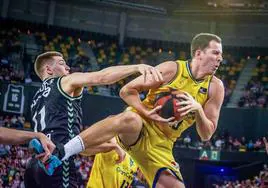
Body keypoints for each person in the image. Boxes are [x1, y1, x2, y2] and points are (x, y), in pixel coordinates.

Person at [49, 33, 224, 188]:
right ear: (198, 53)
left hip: (162, 145)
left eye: (221, 55)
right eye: (216, 53)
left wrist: (198, 109)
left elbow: (206, 134)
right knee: (130, 119)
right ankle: (63, 151)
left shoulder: (215, 88)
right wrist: (145, 111)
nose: (220, 59)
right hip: (139, 126)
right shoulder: (172, 69)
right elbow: (127, 91)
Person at [24, 51, 163, 188]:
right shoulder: (65, 81)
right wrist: (137, 67)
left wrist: (111, 146)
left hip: (35, 164)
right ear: (48, 69)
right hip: (57, 161)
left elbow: (78, 148)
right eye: (62, 63)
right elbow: (102, 77)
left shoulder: (36, 97)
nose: (67, 67)